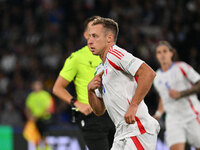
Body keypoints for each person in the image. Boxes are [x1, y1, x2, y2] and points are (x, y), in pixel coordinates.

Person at [87, 17, 160, 150]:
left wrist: (133, 105)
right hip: (121, 132)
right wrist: (90, 91)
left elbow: (148, 73)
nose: (90, 41)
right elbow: (99, 110)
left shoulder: (115, 53)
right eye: (89, 37)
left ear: (109, 38)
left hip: (138, 128)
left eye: (95, 36)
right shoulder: (100, 69)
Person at [52, 16, 115, 150]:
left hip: (114, 113)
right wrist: (76, 103)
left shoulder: (113, 54)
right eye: (93, 31)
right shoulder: (77, 58)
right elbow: (57, 88)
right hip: (92, 116)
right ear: (86, 35)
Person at [153, 41, 200, 150]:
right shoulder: (157, 77)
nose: (162, 54)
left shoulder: (181, 67)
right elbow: (163, 97)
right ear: (156, 56)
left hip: (191, 115)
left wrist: (181, 93)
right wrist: (158, 114)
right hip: (173, 119)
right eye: (159, 52)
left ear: (171, 53)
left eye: (165, 51)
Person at [25, 80, 54, 150]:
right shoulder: (31, 96)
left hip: (45, 120)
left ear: (41, 86)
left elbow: (50, 109)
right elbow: (27, 109)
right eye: (35, 85)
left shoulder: (46, 95)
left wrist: (39, 115)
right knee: (36, 137)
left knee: (44, 137)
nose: (37, 87)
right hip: (35, 120)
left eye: (38, 85)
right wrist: (30, 117)